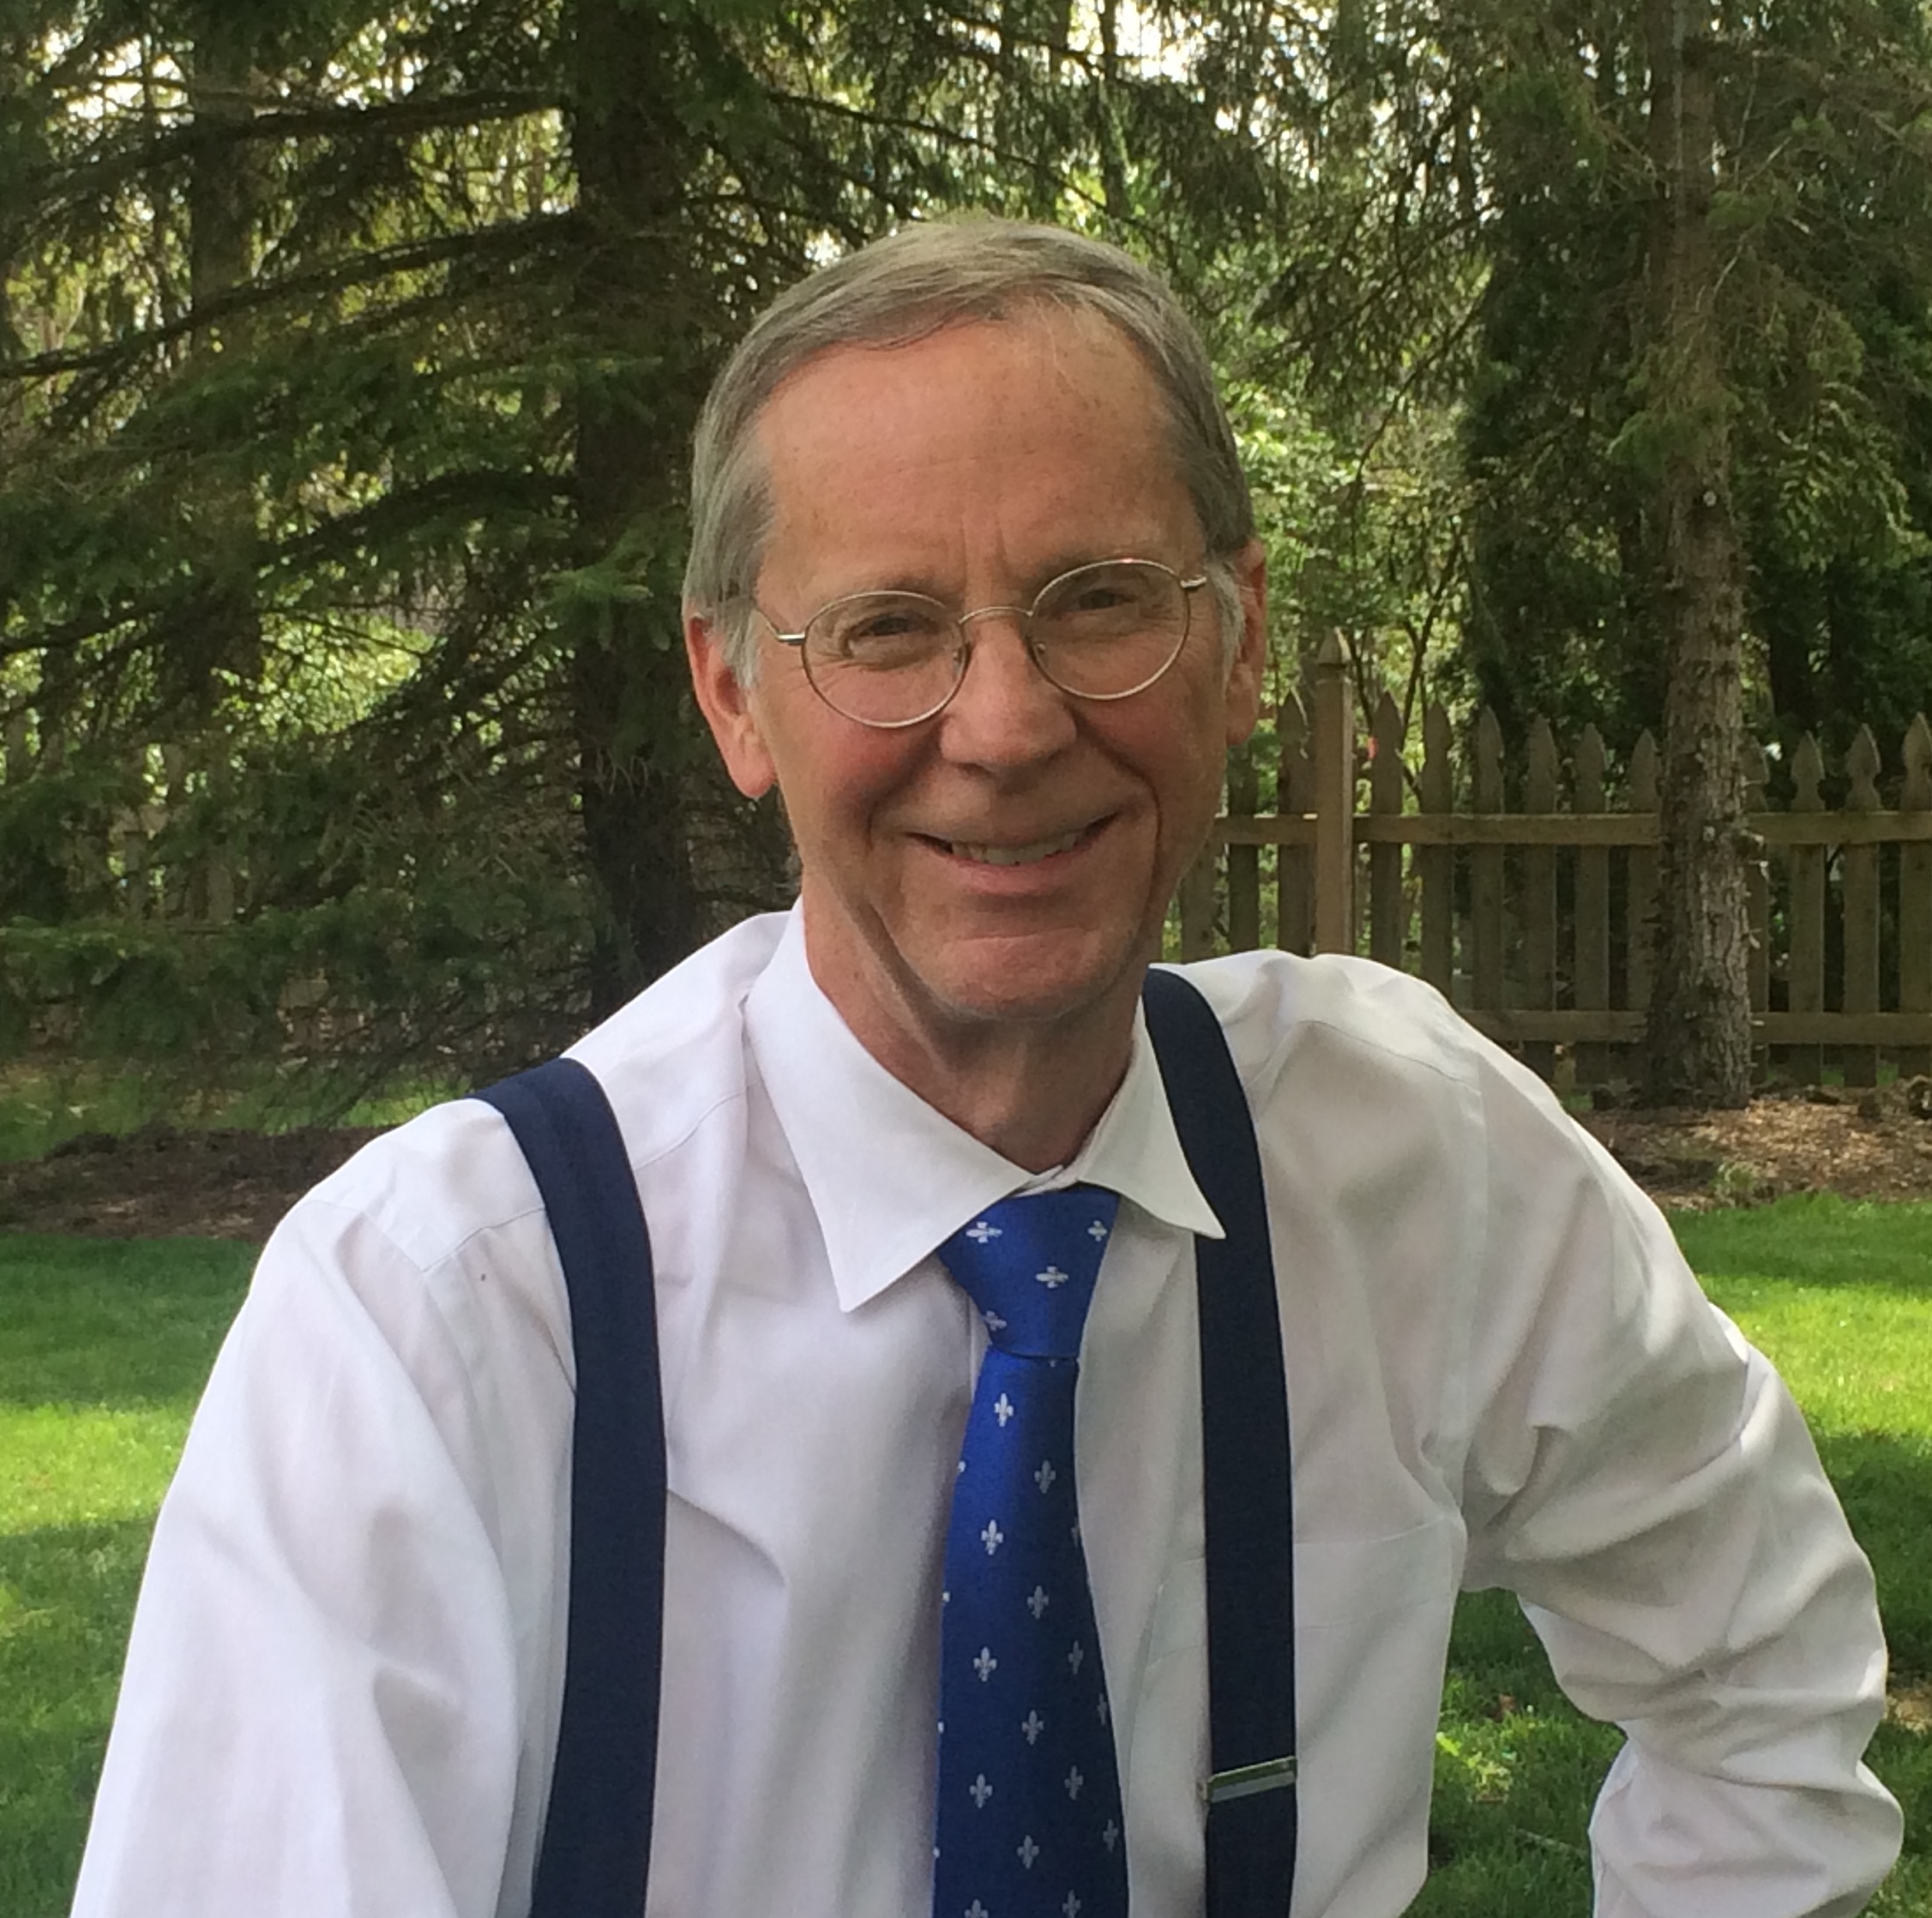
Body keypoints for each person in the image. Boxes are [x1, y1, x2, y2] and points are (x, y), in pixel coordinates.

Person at [72, 219, 1900, 1918]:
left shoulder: (1405, 1157)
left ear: (1239, 636)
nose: (1008, 726)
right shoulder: (444, 1313)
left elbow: (1761, 1670)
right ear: (731, 692)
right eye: (886, 629)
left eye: (1098, 600)